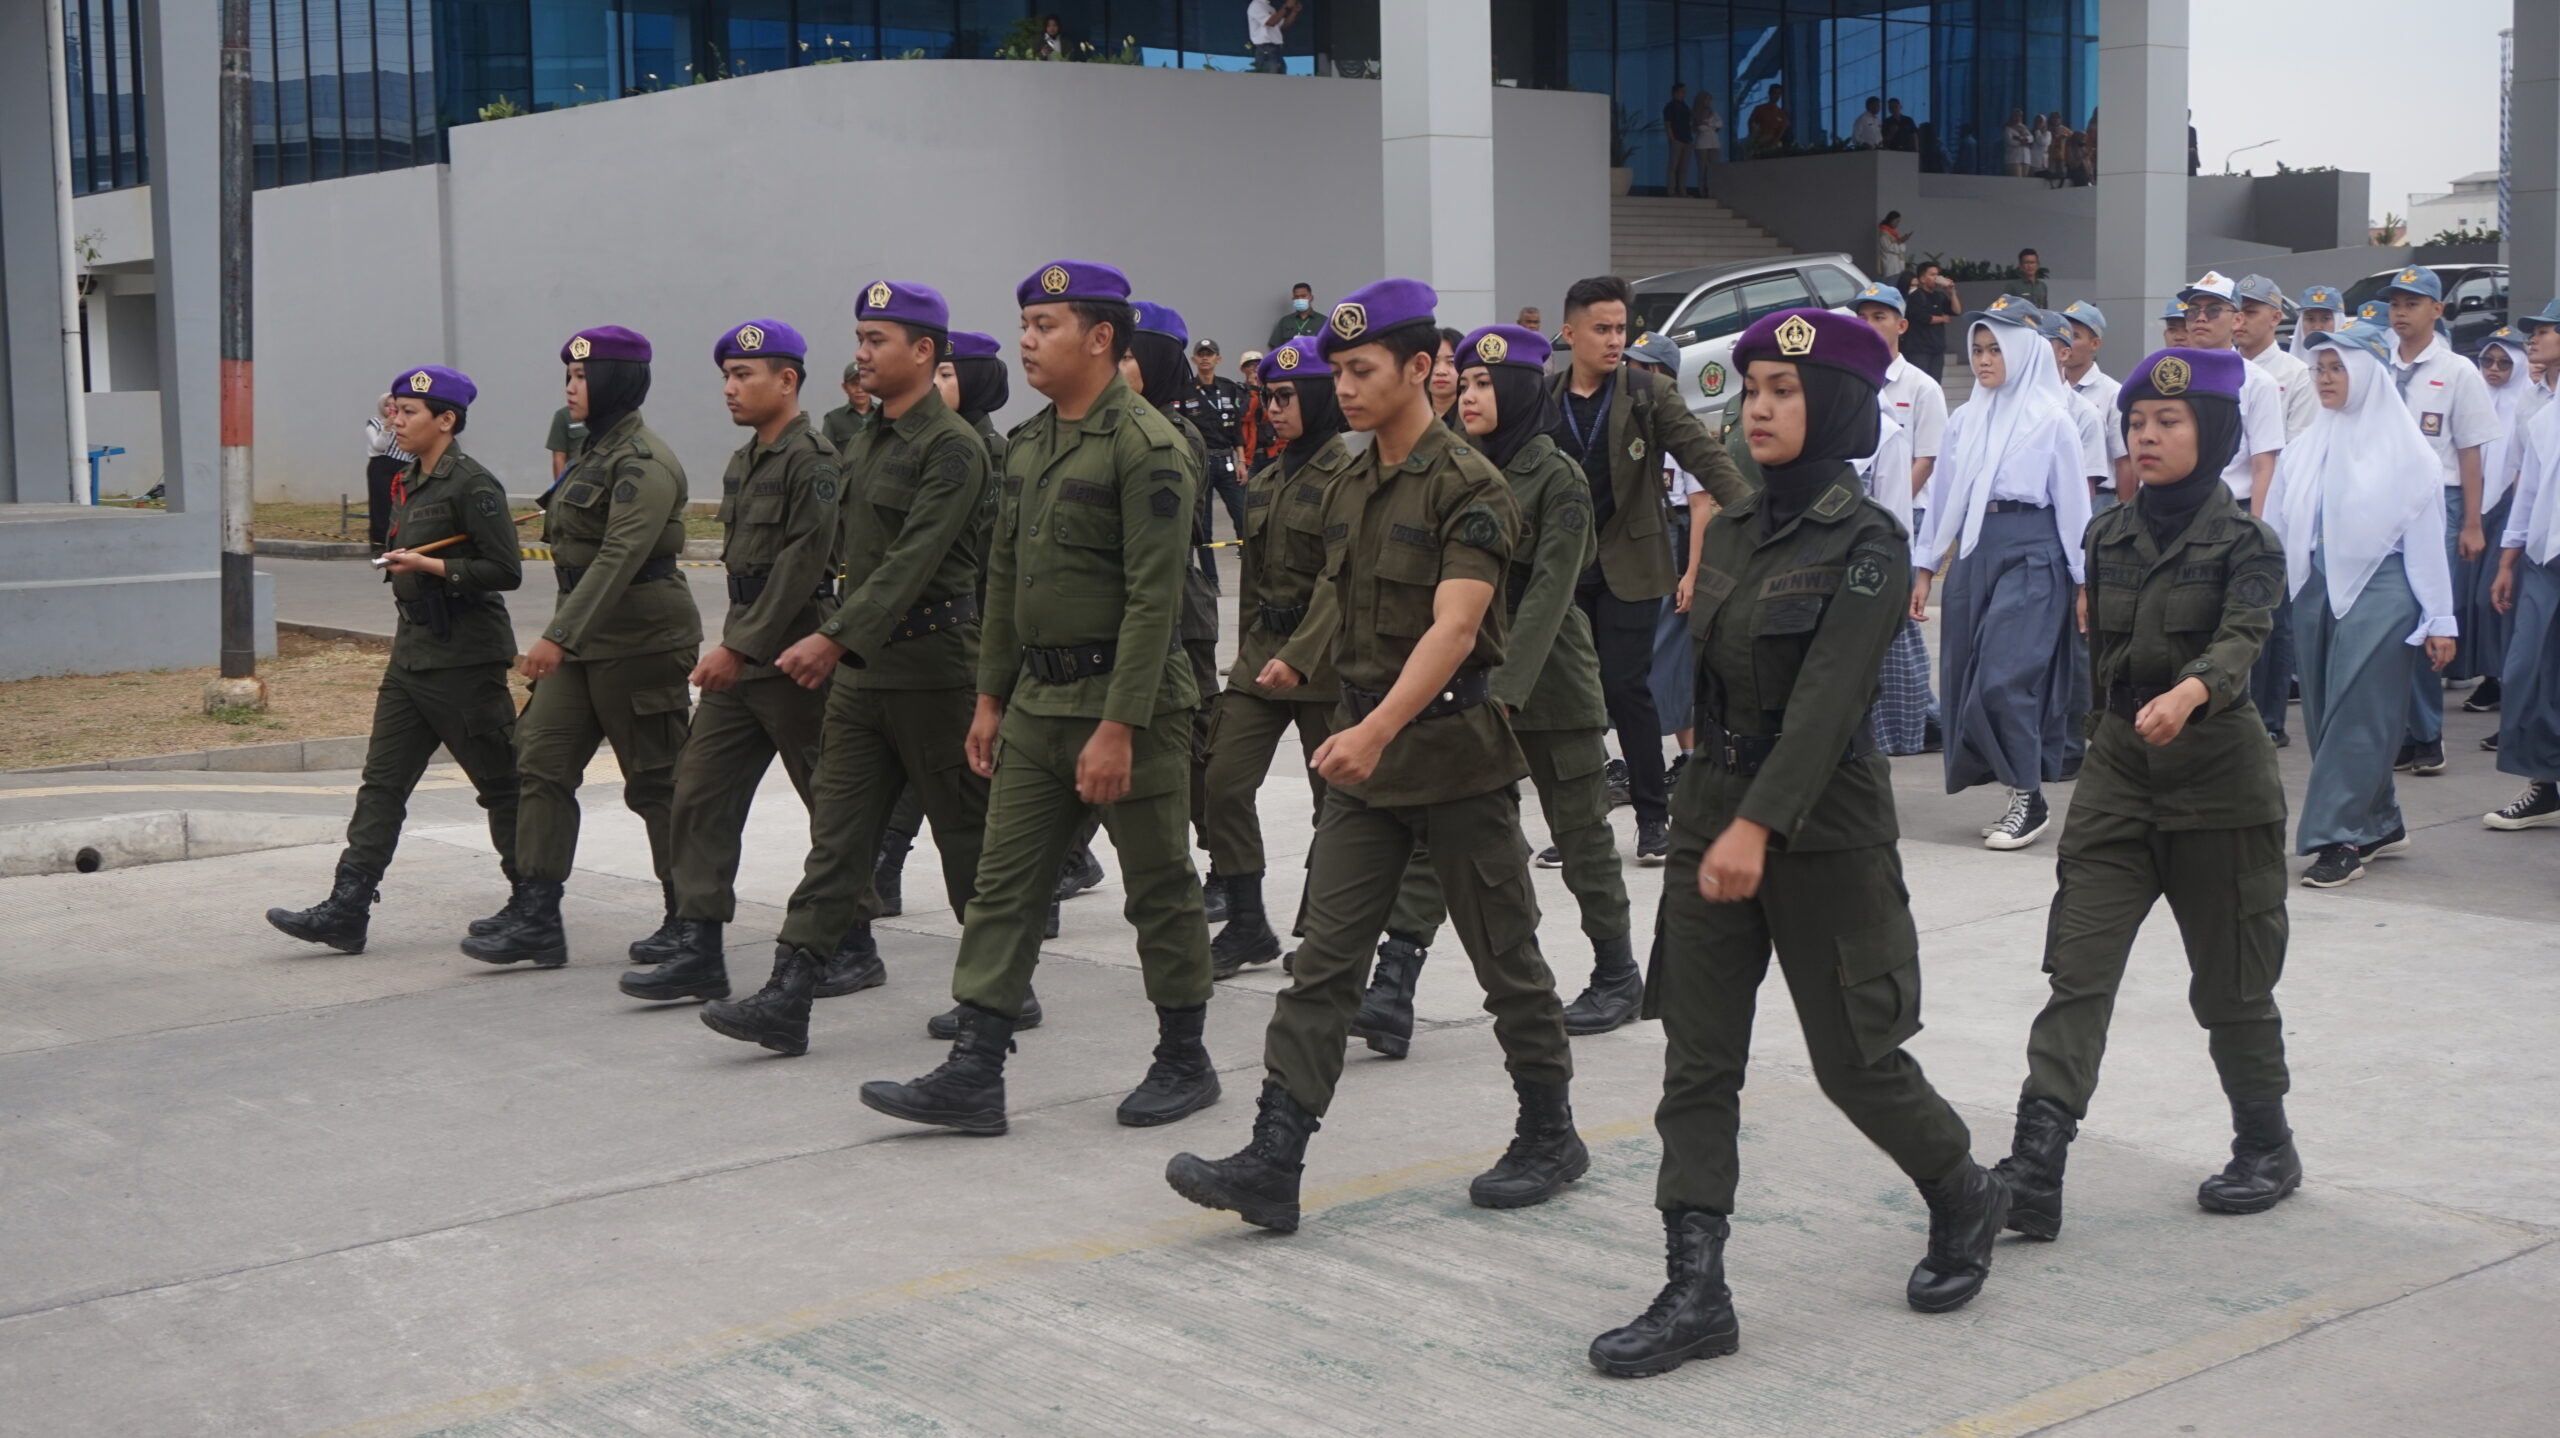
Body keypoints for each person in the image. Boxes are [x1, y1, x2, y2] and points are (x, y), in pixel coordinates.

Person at [1587, 310, 2007, 1380]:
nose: (1759, 406)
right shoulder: (1728, 522)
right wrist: (1702, 807)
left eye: (1782, 388)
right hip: (1712, 813)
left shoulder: (1868, 541)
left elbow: (1825, 708)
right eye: (1752, 388)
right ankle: (1695, 1288)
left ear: (1834, 405)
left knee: (1853, 1063)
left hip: (1820, 832)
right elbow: (1706, 671)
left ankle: (1963, 1191)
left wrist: (1756, 826)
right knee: (1696, 1058)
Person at [1163, 279, 1582, 1235]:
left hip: (1454, 760)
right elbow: (1335, 599)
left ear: (1420, 368)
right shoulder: (1349, 482)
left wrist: (1375, 727)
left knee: (1506, 963)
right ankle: (1275, 1159)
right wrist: (1295, 661)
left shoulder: (1471, 486)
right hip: (1367, 768)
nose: (1342, 387)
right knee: (1322, 966)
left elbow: (1456, 624)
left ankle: (1550, 1131)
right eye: (1337, 373)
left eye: (1360, 370)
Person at [858, 260, 1216, 1136]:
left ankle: (1184, 1058)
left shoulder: (1150, 446)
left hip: (1126, 707)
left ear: (1100, 337)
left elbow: (1153, 598)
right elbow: (1006, 580)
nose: (1026, 339)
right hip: (1037, 707)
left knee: (1158, 887)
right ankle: (976, 1067)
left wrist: (1120, 726)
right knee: (1004, 887)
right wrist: (990, 701)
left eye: (1046, 323)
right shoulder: (1026, 444)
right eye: (1024, 322)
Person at [1992, 346, 2303, 1245]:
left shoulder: (2249, 543)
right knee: (2076, 974)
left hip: (2220, 787)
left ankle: (2266, 1145)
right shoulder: (2105, 534)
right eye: (2137, 424)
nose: (2149, 436)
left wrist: (2193, 690)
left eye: (2169, 423)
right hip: (2121, 780)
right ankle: (2035, 1168)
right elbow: (2099, 662)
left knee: (2233, 988)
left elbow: (2245, 635)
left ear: (2211, 435)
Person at [697, 286, 996, 1053]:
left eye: (878, 339)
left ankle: (1001, 986)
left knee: (967, 839)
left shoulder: (952, 448)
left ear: (924, 352)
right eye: (860, 337)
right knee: (837, 838)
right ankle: (789, 994)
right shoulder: (862, 441)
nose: (861, 352)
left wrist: (830, 636)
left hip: (933, 673)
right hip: (865, 677)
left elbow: (910, 563)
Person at [1359, 324, 1638, 1056]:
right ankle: (1394, 985)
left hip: (1548, 687)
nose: (1469, 393)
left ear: (1516, 389)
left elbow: (1550, 590)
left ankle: (1616, 972)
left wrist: (1506, 689)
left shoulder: (1557, 475)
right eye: (1467, 381)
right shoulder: (1456, 471)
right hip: (1470, 682)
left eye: (1486, 384)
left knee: (1579, 836)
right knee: (1439, 832)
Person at [620, 319, 857, 1004]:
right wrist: (737, 644)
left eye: (743, 375)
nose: (729, 388)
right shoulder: (744, 460)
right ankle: (699, 944)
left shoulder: (814, 461)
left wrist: (740, 646)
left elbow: (802, 564)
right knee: (700, 792)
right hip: (745, 644)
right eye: (725, 375)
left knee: (831, 798)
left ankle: (854, 939)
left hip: (793, 647)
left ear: (786, 380)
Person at [463, 327, 702, 967]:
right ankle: (537, 913)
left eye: (581, 377)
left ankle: (688, 918)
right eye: (567, 377)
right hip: (585, 640)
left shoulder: (641, 461)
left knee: (656, 782)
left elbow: (621, 555)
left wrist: (556, 637)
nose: (570, 389)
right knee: (538, 761)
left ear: (614, 382)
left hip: (641, 639)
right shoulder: (591, 453)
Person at [268, 366, 524, 954]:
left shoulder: (472, 484)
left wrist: (433, 566)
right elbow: (382, 541)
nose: (396, 420)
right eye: (394, 410)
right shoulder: (406, 478)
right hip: (412, 655)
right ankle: (347, 906)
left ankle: (532, 901)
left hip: (465, 658)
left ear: (447, 420)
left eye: (409, 412)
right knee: (381, 785)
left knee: (501, 785)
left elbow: (505, 570)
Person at [1550, 275, 1752, 870]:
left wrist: (1756, 521)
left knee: (1627, 689)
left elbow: (1704, 456)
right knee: (1570, 702)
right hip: (1563, 572)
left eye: (1621, 329)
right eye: (1602, 329)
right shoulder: (1543, 397)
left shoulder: (1646, 393)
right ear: (1570, 334)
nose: (1615, 340)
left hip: (1631, 567)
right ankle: (1578, 824)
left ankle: (1651, 818)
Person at [2273, 324, 2459, 890]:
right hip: (2316, 591)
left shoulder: (2410, 457)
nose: (2325, 379)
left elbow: (2426, 546)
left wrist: (2440, 618)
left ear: (2368, 376)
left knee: (2357, 718)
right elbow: (2282, 526)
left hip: (2384, 594)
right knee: (2328, 716)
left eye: (2337, 368)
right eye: (2319, 369)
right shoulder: (2307, 446)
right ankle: (2379, 822)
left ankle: (2337, 838)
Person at [1910, 298, 2091, 850]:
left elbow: (2074, 506)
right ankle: (2016, 788)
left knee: (2004, 677)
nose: (1984, 360)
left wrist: (2085, 582)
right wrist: (1924, 568)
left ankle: (2029, 796)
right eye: (1978, 349)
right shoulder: (1967, 418)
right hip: (1974, 552)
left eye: (1995, 349)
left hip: (2034, 551)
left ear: (2022, 351)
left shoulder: (2053, 420)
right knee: (1967, 675)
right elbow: (1943, 499)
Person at [1200, 337, 1348, 977]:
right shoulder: (1263, 481)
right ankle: (1248, 921)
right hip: (1263, 656)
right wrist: (1251, 656)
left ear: (1317, 398)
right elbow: (1254, 581)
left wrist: (1300, 656)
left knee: (1336, 805)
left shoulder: (1349, 478)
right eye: (1268, 397)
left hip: (1326, 663)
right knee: (1222, 782)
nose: (1274, 409)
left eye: (1286, 398)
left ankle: (1328, 933)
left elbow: (1339, 582)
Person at [874, 330, 1016, 928]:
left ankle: (1040, 880)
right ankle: (884, 868)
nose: (936, 386)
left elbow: (997, 557)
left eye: (950, 376)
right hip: (954, 629)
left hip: (980, 629)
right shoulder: (934, 447)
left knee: (972, 779)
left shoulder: (996, 453)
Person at [2378, 266, 2498, 776]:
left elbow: (2470, 453)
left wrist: (2472, 522)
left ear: (2437, 311)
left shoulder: (2457, 371)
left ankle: (2427, 734)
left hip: (2439, 502)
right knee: (2391, 617)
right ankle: (2406, 730)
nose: (2400, 312)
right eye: (2395, 303)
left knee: (2428, 613)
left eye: (2412, 302)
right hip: (2382, 503)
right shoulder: (2377, 365)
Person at [1852, 282, 1948, 756]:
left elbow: (1926, 459)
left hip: (1905, 514)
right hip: (1861, 519)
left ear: (1902, 325)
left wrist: (1885, 516)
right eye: (1863, 317)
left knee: (1897, 625)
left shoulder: (1921, 387)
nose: (1869, 325)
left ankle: (1921, 721)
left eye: (1880, 317)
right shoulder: (1853, 378)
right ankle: (1920, 718)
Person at [2488, 300, 2560, 826]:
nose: (2533, 338)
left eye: (2546, 330)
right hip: (2542, 560)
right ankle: (2545, 782)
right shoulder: (2543, 410)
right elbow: (2529, 494)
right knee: (2525, 671)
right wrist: (2508, 561)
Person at [2457, 328, 2531, 709]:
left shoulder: (2527, 403)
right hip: (2475, 504)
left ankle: (2501, 679)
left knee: (2494, 597)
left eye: (2504, 363)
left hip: (2508, 505)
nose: (2494, 370)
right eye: (2487, 361)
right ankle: (2486, 675)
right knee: (2469, 596)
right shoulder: (2475, 398)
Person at [2176, 274, 2286, 518]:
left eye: (2214, 310)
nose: (2201, 318)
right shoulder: (2173, 376)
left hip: (2233, 510)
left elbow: (2263, 465)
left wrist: (2257, 531)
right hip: (2179, 507)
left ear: (2237, 319)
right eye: (2193, 311)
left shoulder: (2258, 382)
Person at [1176, 337, 1249, 539]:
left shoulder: (1228, 388)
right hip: (1201, 464)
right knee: (1203, 525)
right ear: (1194, 359)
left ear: (1219, 359)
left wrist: (1241, 461)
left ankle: (1249, 562)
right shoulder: (1185, 390)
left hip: (1227, 463)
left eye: (1210, 354)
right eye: (1201, 354)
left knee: (1243, 517)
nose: (1205, 358)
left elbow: (1235, 428)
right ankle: (1209, 572)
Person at [2057, 301, 2126, 500]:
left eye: (2075, 336)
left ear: (2095, 344)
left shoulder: (2112, 393)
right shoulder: (2048, 390)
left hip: (2099, 497)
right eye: (2063, 333)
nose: (2066, 342)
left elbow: (2123, 461)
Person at [364, 394, 410, 554]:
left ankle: (400, 542)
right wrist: (386, 429)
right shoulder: (374, 423)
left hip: (405, 466)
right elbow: (378, 447)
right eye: (387, 405)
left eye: (394, 405)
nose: (391, 409)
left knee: (404, 505)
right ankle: (379, 544)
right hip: (381, 465)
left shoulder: (405, 424)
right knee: (382, 506)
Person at [1902, 262, 1958, 382]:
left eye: (1937, 275)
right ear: (1922, 278)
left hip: (1937, 349)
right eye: (1932, 275)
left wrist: (1952, 292)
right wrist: (1942, 319)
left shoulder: (1940, 296)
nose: (1936, 278)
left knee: (1935, 384)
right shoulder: (1916, 296)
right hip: (1919, 350)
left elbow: (1956, 310)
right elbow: (1924, 318)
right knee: (1919, 383)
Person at [820, 362, 873, 448]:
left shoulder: (884, 413)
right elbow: (826, 455)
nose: (859, 390)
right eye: (854, 384)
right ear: (845, 387)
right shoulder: (833, 419)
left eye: (863, 383)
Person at [2290, 285, 2344, 360]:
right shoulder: (2288, 366)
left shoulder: (2352, 362)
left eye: (2325, 319)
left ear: (2339, 322)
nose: (2317, 327)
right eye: (2310, 319)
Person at [1245, 0, 1298, 74]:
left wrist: (1294, 12)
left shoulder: (1270, 8)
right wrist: (1286, 6)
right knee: (1270, 81)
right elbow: (1271, 22)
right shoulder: (1256, 5)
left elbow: (1284, 25)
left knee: (1279, 81)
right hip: (1265, 50)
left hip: (1276, 50)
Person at [1663, 83, 1696, 198]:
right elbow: (1668, 124)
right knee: (1674, 166)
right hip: (1677, 139)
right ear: (1675, 92)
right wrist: (1672, 138)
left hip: (1687, 139)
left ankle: (1683, 191)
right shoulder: (1670, 106)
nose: (1684, 94)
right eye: (1682, 91)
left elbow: (1691, 120)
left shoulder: (1685, 106)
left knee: (1684, 167)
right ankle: (1671, 190)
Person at [1269, 281, 1322, 349]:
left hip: (1313, 359)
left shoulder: (1323, 322)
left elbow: (1328, 347)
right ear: (1293, 299)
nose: (1300, 299)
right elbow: (1276, 347)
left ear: (1311, 298)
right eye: (1297, 297)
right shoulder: (1285, 321)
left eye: (1303, 296)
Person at [1428, 326, 1464, 429]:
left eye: (1451, 362)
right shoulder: (1407, 416)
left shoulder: (1475, 417)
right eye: (1434, 362)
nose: (1441, 371)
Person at [544, 403, 585, 483]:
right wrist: (559, 489)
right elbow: (559, 458)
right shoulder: (564, 415)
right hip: (576, 481)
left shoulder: (606, 414)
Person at [1746, 85, 1789, 156]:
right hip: (1758, 144)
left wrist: (1774, 142)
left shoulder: (1782, 114)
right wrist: (1754, 139)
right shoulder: (1759, 109)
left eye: (1779, 93)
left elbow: (1781, 131)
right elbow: (1751, 123)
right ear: (1770, 93)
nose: (1777, 96)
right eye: (1775, 93)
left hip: (1773, 147)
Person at [1693, 93, 1721, 187]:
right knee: (1703, 169)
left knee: (1715, 168)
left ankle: (1713, 189)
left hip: (1714, 144)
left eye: (1710, 100)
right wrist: (1712, 125)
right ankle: (1702, 190)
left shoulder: (1713, 112)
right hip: (1702, 144)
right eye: (1707, 99)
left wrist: (1708, 123)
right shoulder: (1697, 113)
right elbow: (1701, 128)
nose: (1709, 102)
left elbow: (1720, 124)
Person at [1877, 211, 1911, 282]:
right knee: (1891, 285)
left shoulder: (1893, 233)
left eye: (1898, 222)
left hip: (1897, 267)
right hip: (1891, 267)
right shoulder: (1884, 233)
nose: (1897, 224)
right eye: (1896, 221)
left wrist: (1902, 241)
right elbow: (1889, 248)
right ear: (1891, 220)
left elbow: (1902, 249)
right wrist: (1900, 241)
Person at [2004, 109, 2034, 177]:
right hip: (2014, 159)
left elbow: (2031, 138)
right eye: (2016, 116)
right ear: (2012, 117)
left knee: (2024, 182)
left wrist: (2021, 139)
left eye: (2020, 116)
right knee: (2017, 181)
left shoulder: (2024, 127)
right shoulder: (2008, 128)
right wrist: (2023, 142)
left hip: (2025, 159)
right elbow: (2010, 142)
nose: (2018, 118)